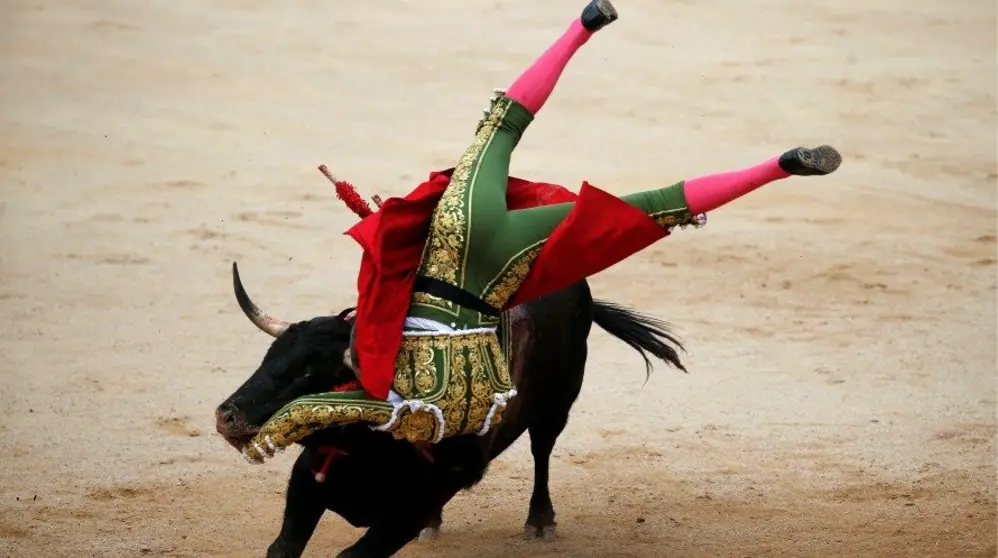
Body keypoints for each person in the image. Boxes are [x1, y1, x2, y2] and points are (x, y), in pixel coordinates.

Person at [241, 0, 841, 463]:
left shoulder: (472, 407)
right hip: (460, 233)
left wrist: (273, 429)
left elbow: (342, 397)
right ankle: (584, 24)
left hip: (499, 273)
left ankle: (778, 167)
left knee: (654, 207)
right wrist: (272, 431)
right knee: (503, 124)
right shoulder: (396, 400)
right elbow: (337, 395)